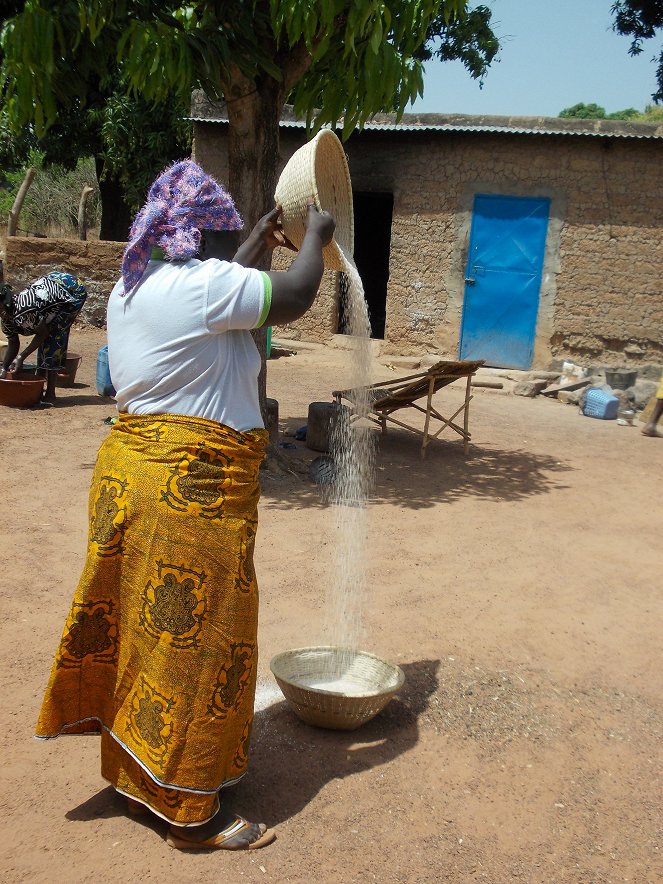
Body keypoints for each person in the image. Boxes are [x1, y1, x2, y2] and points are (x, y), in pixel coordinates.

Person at [34, 160, 335, 850]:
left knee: (145, 640)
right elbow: (290, 296)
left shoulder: (133, 287)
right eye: (223, 233)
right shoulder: (204, 285)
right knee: (199, 643)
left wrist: (255, 241)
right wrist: (315, 234)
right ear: (200, 237)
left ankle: (140, 774)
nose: (233, 244)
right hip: (188, 488)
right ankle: (190, 810)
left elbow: (221, 304)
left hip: (132, 474)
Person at [0, 271, 88, 402]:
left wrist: (21, 357)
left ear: (3, 306)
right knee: (46, 331)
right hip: (51, 288)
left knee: (54, 335)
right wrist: (4, 368)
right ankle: (39, 383)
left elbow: (42, 333)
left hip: (72, 289)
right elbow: (13, 343)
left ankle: (50, 393)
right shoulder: (6, 319)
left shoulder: (25, 311)